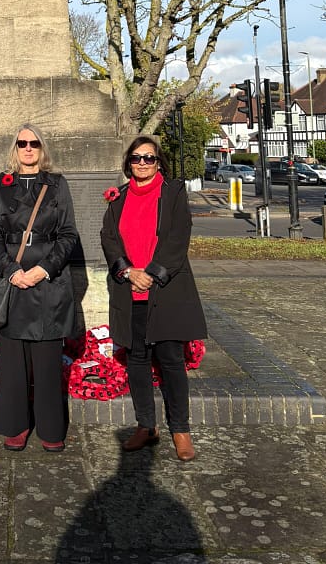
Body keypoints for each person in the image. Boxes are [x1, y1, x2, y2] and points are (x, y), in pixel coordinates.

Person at [101, 134, 206, 461]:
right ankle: (146, 425)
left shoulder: (172, 192)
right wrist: (128, 272)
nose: (142, 163)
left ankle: (180, 429)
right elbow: (109, 238)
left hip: (165, 289)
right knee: (137, 360)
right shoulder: (117, 197)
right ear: (128, 163)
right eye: (136, 158)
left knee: (172, 361)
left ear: (158, 162)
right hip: (130, 291)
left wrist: (152, 275)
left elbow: (178, 237)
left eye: (149, 158)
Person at [0, 123, 79, 453]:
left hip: (47, 277)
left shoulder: (57, 184)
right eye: (22, 143)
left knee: (48, 359)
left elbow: (68, 234)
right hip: (12, 276)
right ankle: (16, 424)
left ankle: (51, 426)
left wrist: (43, 269)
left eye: (34, 143)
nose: (28, 148)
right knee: (12, 361)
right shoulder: (0, 184)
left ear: (42, 147)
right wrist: (10, 270)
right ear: (15, 147)